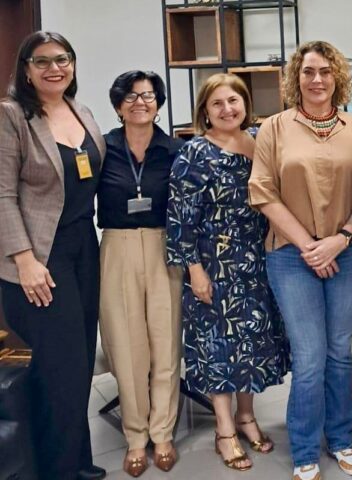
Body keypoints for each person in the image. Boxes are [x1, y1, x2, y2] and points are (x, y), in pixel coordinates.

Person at [249, 40, 352, 480]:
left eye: (324, 71)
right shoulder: (274, 128)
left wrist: (340, 239)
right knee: (308, 356)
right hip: (290, 255)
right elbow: (263, 192)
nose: (316, 79)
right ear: (295, 78)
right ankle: (304, 448)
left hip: (348, 253)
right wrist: (310, 246)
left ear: (337, 77)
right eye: (308, 72)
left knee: (339, 352)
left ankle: (340, 439)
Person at [166, 73, 289, 471]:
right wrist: (195, 271)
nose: (227, 109)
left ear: (245, 105)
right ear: (204, 110)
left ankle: (246, 416)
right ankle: (224, 430)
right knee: (218, 347)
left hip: (256, 260)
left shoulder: (259, 141)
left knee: (250, 343)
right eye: (217, 103)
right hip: (213, 264)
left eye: (233, 101)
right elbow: (180, 220)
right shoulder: (194, 153)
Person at [0, 31, 107, 480]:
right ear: (26, 70)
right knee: (59, 369)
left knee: (79, 364)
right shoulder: (11, 116)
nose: (54, 68)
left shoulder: (81, 111)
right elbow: (2, 195)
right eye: (42, 61)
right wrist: (24, 260)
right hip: (39, 256)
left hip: (83, 247)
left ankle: (76, 461)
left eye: (62, 59)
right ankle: (56, 470)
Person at [96, 70, 184, 476]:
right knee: (126, 345)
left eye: (147, 96)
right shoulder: (102, 148)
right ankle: (135, 436)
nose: (139, 103)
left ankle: (162, 433)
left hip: (165, 245)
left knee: (165, 343)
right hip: (117, 246)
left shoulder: (175, 150)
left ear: (158, 103)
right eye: (130, 97)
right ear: (118, 105)